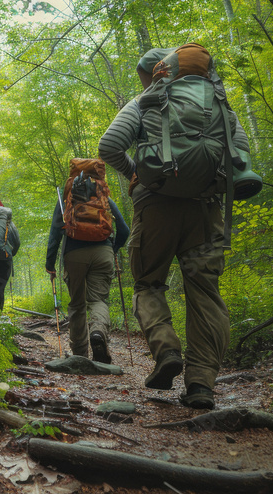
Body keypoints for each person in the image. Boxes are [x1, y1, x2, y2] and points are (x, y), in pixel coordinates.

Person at [97, 44, 251, 409]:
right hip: (205, 213)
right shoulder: (220, 104)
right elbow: (241, 156)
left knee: (149, 283)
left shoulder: (146, 99)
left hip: (156, 208)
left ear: (162, 71)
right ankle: (201, 384)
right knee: (205, 294)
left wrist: (136, 172)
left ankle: (167, 350)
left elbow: (109, 146)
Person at [45, 192, 129, 364]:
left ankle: (79, 354)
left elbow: (55, 232)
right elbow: (124, 229)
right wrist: (113, 248)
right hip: (103, 252)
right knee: (98, 300)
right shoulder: (104, 197)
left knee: (77, 304)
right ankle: (98, 332)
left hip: (73, 253)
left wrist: (50, 263)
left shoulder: (65, 199)